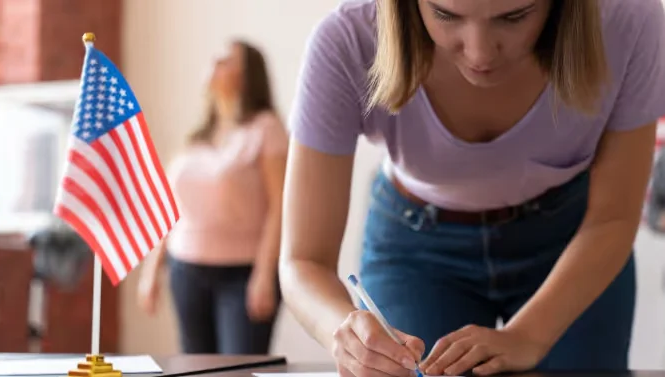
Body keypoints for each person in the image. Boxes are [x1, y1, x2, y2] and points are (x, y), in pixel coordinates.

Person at [279, 0, 665, 376]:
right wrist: (342, 332)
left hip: (575, 241)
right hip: (416, 250)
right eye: (445, 14)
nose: (480, 54)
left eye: (515, 16)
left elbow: (613, 217)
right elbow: (303, 261)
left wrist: (527, 335)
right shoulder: (346, 39)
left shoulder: (630, 18)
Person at [137, 39, 288, 355]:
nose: (214, 63)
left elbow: (279, 207)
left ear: (248, 75)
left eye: (226, 60)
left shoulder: (266, 129)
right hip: (185, 271)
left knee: (238, 371)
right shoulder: (196, 138)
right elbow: (172, 209)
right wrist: (152, 270)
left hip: (243, 275)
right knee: (194, 368)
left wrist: (264, 274)